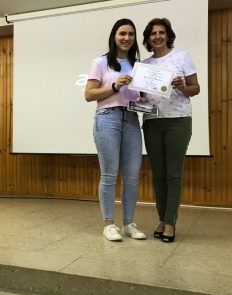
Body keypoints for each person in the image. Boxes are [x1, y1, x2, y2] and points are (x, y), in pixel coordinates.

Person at [85, 19, 146, 242]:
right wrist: (114, 86)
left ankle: (129, 223)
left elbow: (141, 97)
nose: (127, 38)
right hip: (107, 118)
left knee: (132, 176)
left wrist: (146, 97)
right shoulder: (100, 62)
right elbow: (89, 94)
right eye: (122, 33)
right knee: (109, 174)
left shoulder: (139, 65)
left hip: (131, 119)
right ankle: (109, 224)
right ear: (114, 36)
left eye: (131, 34)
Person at [141, 18, 200, 243]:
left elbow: (196, 88)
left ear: (168, 35)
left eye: (161, 32)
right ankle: (163, 218)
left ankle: (170, 223)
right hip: (152, 122)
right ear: (148, 38)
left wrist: (182, 86)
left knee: (173, 174)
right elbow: (142, 98)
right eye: (153, 33)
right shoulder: (145, 65)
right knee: (158, 176)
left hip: (178, 121)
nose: (157, 36)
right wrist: (139, 97)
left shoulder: (181, 57)